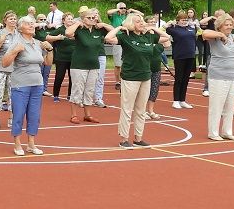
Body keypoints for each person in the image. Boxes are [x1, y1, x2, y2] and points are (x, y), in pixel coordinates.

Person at [106, 12, 168, 149]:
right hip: (130, 77)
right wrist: (119, 28)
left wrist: (152, 28)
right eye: (137, 21)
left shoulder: (149, 36)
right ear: (131, 23)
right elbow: (108, 38)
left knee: (141, 110)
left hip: (146, 77)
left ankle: (138, 138)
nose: (141, 23)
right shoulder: (126, 37)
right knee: (127, 109)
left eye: (141, 21)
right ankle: (124, 139)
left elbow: (167, 37)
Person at [1, 15, 49, 155]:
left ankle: (31, 144)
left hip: (37, 84)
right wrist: (15, 51)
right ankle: (17, 144)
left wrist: (50, 50)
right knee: (19, 114)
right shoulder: (16, 42)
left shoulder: (37, 43)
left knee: (34, 115)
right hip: (21, 85)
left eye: (33, 23)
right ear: (20, 28)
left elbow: (47, 62)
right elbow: (4, 63)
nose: (32, 25)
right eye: (28, 24)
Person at [200, 15, 234, 140]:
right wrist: (221, 35)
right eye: (226, 25)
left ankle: (227, 131)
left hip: (233, 76)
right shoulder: (215, 37)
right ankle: (213, 132)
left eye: (230, 24)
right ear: (220, 27)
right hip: (218, 76)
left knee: (230, 106)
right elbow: (205, 33)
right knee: (217, 106)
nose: (229, 27)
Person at [64, 8, 108, 124]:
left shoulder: (98, 30)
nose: (92, 19)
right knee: (77, 89)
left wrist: (103, 24)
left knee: (90, 90)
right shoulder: (79, 29)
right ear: (83, 19)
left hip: (94, 65)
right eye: (89, 18)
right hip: (79, 65)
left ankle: (87, 115)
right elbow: (68, 33)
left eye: (94, 17)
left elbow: (114, 32)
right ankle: (74, 115)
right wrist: (77, 23)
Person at [165, 11, 198, 110]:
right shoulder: (173, 29)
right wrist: (169, 23)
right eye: (182, 20)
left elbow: (200, 32)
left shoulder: (191, 28)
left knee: (186, 79)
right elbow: (162, 30)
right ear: (178, 21)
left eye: (186, 20)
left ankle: (182, 100)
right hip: (179, 56)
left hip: (190, 55)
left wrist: (196, 25)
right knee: (179, 78)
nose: (184, 22)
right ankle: (176, 100)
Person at [46, 13, 76, 101]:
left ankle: (70, 95)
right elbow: (48, 37)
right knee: (59, 77)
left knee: (73, 77)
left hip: (73, 58)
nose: (70, 20)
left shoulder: (74, 29)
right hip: (61, 58)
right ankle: (56, 95)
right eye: (68, 19)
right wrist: (58, 38)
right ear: (63, 21)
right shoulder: (60, 29)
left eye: (71, 19)